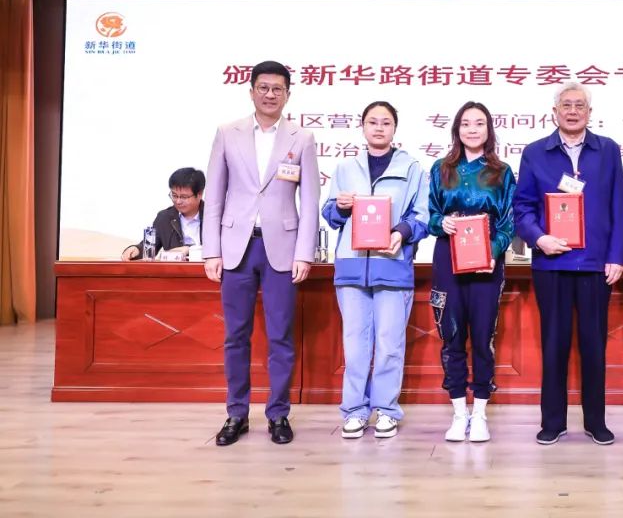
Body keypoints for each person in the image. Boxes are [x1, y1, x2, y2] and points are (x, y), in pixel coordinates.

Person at [202, 60, 320, 447]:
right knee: (235, 335)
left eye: (278, 89)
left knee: (281, 336)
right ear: (251, 90)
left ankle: (278, 413)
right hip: (236, 247)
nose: (270, 94)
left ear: (288, 94)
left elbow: (310, 200)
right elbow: (214, 195)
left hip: (282, 249)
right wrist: (211, 250)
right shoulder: (227, 133)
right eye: (264, 88)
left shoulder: (302, 138)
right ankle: (236, 413)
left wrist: (305, 253)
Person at [514, 82, 623, 446]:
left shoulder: (607, 150)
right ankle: (553, 421)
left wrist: (616, 255)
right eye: (567, 105)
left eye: (580, 105)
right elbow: (522, 208)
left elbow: (618, 206)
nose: (573, 111)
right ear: (555, 112)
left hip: (595, 265)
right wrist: (539, 238)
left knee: (594, 346)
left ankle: (596, 421)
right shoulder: (535, 153)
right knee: (554, 345)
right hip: (552, 264)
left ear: (589, 113)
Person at [322, 101, 429, 440]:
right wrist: (340, 207)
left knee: (389, 344)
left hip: (392, 265)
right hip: (352, 267)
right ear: (363, 127)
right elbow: (329, 213)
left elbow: (422, 216)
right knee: (355, 345)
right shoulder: (345, 167)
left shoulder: (412, 168)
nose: (379, 128)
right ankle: (354, 410)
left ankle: (386, 410)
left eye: (385, 122)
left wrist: (402, 232)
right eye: (373, 122)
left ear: (394, 128)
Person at [427, 101, 516, 443]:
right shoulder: (441, 168)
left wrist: (493, 250)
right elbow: (430, 215)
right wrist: (442, 222)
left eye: (479, 123)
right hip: (447, 260)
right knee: (451, 335)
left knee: (482, 336)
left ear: (489, 129)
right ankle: (458, 414)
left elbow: (508, 223)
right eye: (466, 123)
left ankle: (479, 413)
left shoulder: (501, 172)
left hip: (486, 263)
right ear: (457, 129)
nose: (472, 129)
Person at [121, 167, 205, 260]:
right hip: (174, 269)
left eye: (184, 197)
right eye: (174, 195)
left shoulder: (213, 216)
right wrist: (137, 249)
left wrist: (189, 249)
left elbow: (217, 250)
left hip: (208, 268)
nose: (178, 201)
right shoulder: (164, 217)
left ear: (199, 194)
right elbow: (150, 246)